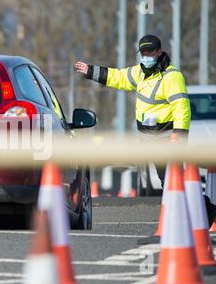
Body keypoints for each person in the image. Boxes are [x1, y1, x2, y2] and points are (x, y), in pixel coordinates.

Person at [75, 34, 191, 186]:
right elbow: (118, 77)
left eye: (149, 53)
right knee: (168, 180)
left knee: (172, 180)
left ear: (159, 52)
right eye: (143, 53)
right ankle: (197, 207)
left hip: (166, 137)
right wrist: (91, 71)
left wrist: (180, 134)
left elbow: (181, 107)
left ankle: (205, 208)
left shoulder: (171, 76)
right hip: (150, 137)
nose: (146, 56)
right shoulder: (140, 72)